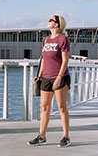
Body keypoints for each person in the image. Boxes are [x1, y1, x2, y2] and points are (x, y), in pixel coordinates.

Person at [29, 14, 71, 147]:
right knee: (44, 107)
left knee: (61, 107)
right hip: (46, 78)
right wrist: (39, 76)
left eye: (51, 20)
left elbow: (65, 60)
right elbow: (43, 60)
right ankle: (41, 136)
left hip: (60, 77)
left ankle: (66, 136)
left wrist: (59, 77)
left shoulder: (63, 39)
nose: (48, 21)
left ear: (57, 24)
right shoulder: (45, 40)